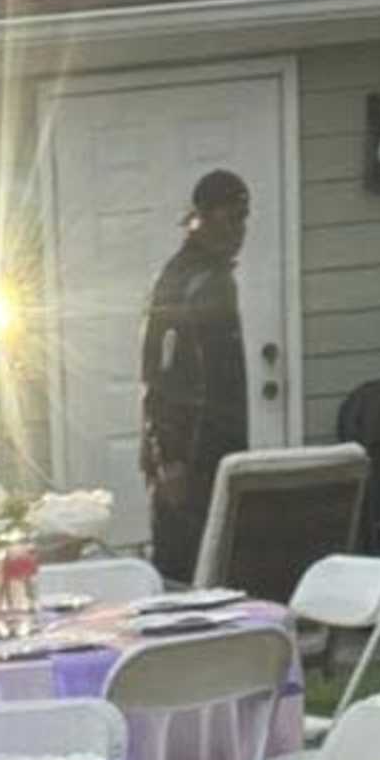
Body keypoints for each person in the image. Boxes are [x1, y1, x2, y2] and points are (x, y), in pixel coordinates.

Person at [138, 170, 252, 586]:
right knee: (183, 572)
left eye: (244, 218)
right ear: (201, 218)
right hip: (187, 461)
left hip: (222, 454)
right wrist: (169, 457)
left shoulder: (217, 277)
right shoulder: (183, 281)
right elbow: (159, 375)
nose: (239, 230)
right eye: (231, 218)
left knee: (220, 570)